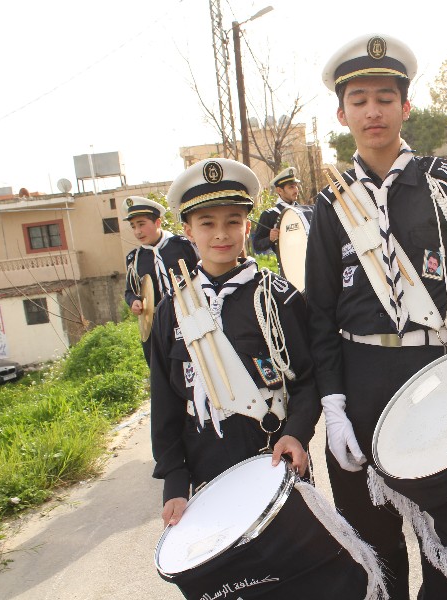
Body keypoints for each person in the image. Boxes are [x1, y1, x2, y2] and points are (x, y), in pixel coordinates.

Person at [306, 34, 447, 600]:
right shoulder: (330, 204)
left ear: (406, 107)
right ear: (342, 113)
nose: (372, 111)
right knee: (375, 545)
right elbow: (319, 313)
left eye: (385, 98)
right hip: (363, 382)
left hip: (440, 375)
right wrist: (333, 405)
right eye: (358, 100)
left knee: (446, 537)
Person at [151, 157, 319, 529]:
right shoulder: (171, 311)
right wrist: (175, 482)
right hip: (209, 474)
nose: (221, 235)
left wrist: (297, 433)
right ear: (188, 232)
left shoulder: (279, 298)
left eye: (232, 222)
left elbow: (307, 379)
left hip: (277, 459)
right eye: (207, 224)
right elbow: (165, 402)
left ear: (247, 226)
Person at [123, 196, 198, 364]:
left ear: (157, 223)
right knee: (163, 373)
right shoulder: (135, 259)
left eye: (141, 224)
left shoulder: (183, 246)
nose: (137, 232)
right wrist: (133, 301)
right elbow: (130, 291)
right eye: (133, 226)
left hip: (188, 318)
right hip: (157, 327)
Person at [251, 166, 301, 266]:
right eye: (291, 187)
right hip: (287, 268)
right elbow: (256, 245)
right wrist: (269, 238)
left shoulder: (303, 211)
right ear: (279, 190)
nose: (296, 190)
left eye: (296, 186)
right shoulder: (269, 215)